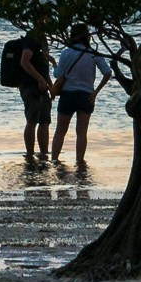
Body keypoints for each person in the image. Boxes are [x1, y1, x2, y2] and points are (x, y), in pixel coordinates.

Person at [51, 24, 108, 172]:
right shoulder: (93, 53)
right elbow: (107, 72)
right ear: (87, 36)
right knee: (82, 132)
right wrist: (96, 92)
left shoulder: (66, 52)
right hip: (86, 95)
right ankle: (80, 162)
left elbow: (57, 75)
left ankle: (54, 160)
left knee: (60, 131)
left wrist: (53, 64)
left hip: (68, 95)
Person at [5, 30, 53, 164]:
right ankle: (30, 155)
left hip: (42, 87)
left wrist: (50, 85)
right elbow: (24, 61)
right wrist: (39, 79)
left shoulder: (42, 38)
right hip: (30, 86)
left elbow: (44, 66)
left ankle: (44, 155)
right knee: (32, 120)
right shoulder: (32, 37)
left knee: (45, 121)